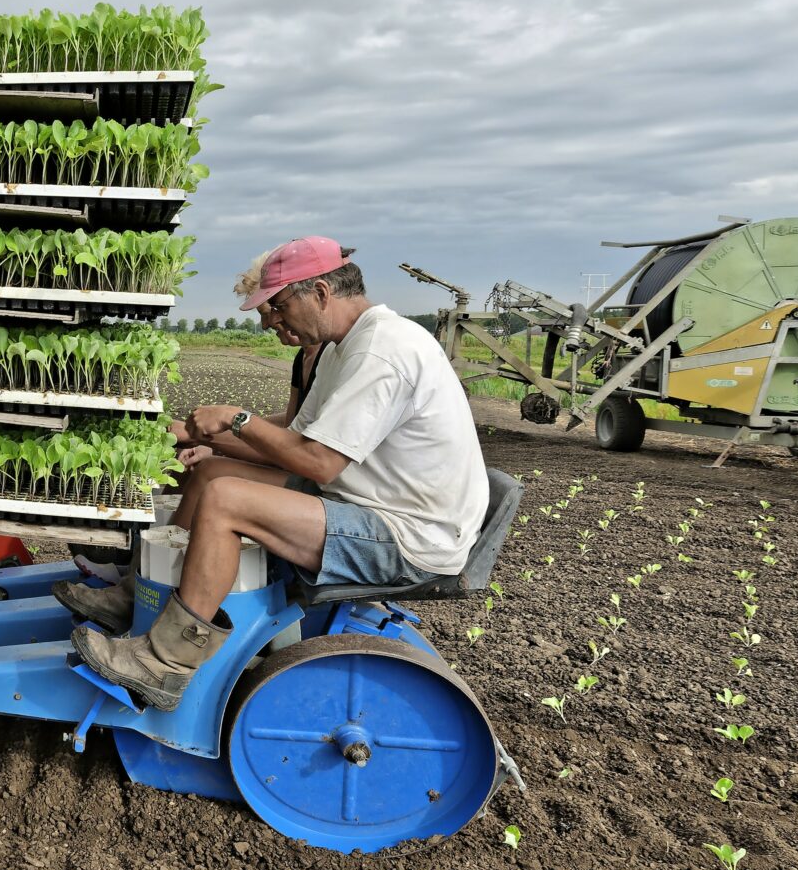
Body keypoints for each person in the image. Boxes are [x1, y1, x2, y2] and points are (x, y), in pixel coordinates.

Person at [72, 236, 490, 710]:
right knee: (212, 475)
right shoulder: (341, 348)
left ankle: (164, 664)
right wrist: (203, 440)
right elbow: (294, 440)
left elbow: (316, 461)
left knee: (226, 499)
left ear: (321, 293)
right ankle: (138, 598)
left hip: (406, 535)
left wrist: (236, 419)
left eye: (278, 305)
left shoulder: (382, 352)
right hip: (367, 505)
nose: (273, 319)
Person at [55, 244, 336, 625]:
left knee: (211, 474)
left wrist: (210, 434)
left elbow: (296, 446)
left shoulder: (325, 354)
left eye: (273, 310)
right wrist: (215, 433)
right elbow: (289, 423)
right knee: (201, 466)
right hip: (302, 467)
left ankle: (150, 599)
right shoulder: (307, 357)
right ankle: (145, 582)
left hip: (318, 481)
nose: (270, 324)